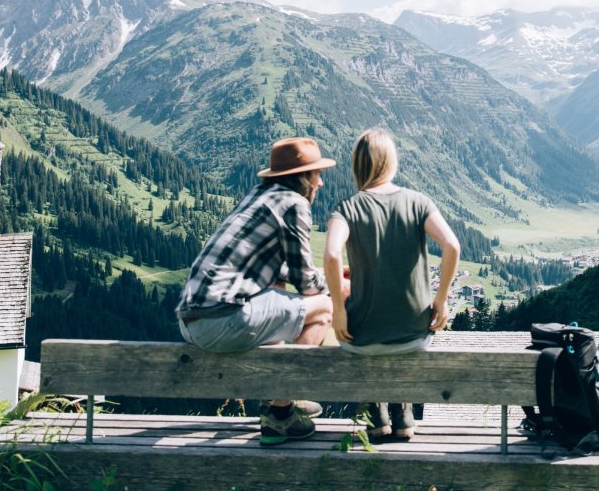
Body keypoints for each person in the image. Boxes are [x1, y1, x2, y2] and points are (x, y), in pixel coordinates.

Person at [176, 136, 339, 445]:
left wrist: (325, 276)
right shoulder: (295, 204)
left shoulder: (259, 196)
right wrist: (335, 285)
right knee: (324, 310)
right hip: (224, 319)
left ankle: (278, 396)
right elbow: (306, 286)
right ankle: (280, 414)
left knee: (276, 290)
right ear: (304, 177)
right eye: (317, 174)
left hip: (192, 321)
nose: (321, 183)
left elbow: (279, 273)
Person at [324, 128, 460, 441]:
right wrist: (441, 300)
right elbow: (452, 246)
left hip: (362, 337)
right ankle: (403, 410)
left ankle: (377, 411)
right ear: (391, 162)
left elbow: (331, 254)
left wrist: (338, 310)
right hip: (415, 334)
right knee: (399, 341)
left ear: (357, 166)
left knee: (354, 332)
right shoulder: (418, 202)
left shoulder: (347, 208)